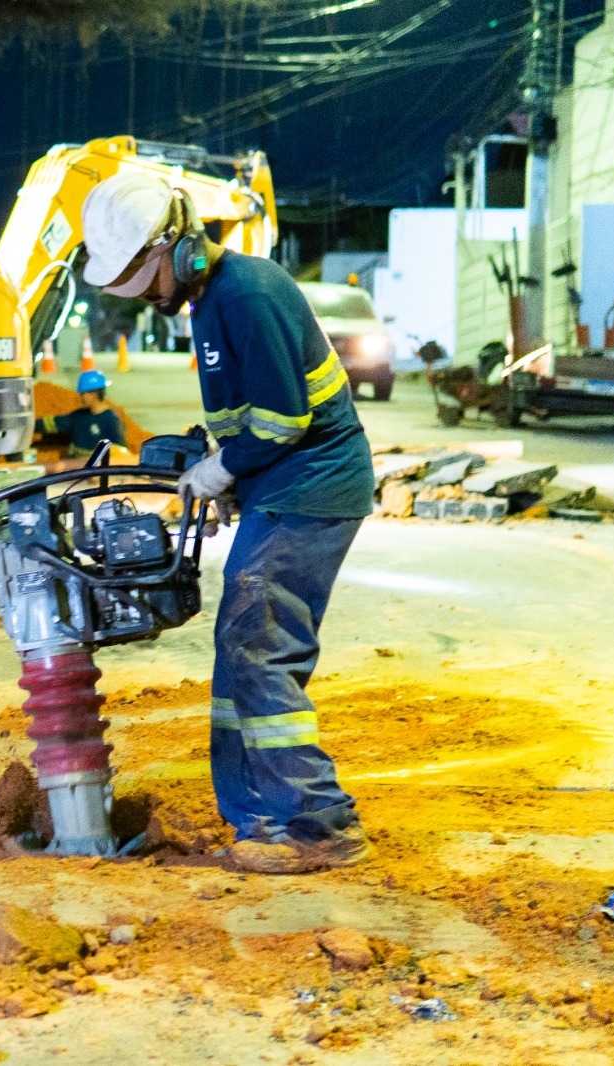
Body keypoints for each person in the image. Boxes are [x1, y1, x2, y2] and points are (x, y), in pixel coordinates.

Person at [81, 173, 378, 874]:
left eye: (143, 279)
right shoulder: (211, 302)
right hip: (284, 484)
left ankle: (316, 825)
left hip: (312, 487)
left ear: (177, 247)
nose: (147, 298)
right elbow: (249, 417)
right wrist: (218, 462)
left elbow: (283, 419)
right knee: (241, 644)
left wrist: (222, 470)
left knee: (260, 646)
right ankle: (259, 817)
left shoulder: (247, 293)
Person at [38, 369, 128, 459]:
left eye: (83, 394)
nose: (81, 397)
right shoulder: (78, 417)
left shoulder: (112, 421)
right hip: (76, 469)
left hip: (97, 471)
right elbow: (52, 423)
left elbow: (120, 457)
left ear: (93, 393)